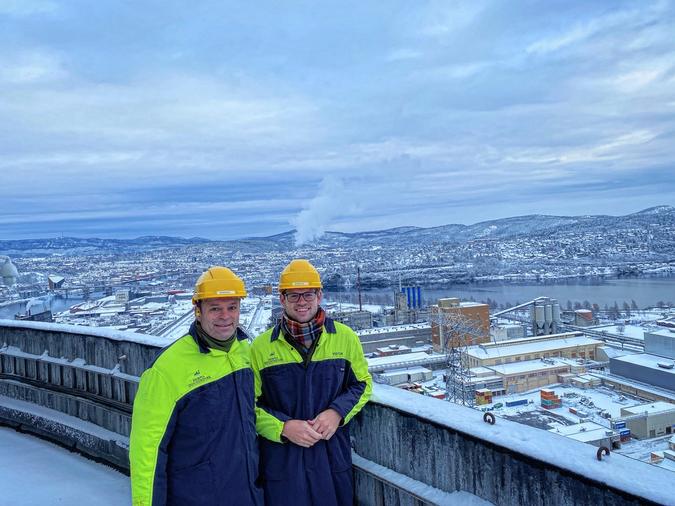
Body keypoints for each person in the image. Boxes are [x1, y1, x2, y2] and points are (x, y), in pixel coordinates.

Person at [129, 266, 263, 506]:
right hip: (195, 497)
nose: (225, 316)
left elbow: (255, 414)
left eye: (232, 307)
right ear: (198, 311)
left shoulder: (246, 352)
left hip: (246, 493)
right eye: (215, 309)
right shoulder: (166, 369)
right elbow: (147, 451)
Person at [251, 259, 372, 506]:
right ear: (282, 299)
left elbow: (362, 385)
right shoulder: (261, 348)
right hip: (282, 461)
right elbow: (247, 405)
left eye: (308, 294)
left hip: (330, 457)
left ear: (320, 295)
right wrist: (282, 428)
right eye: (293, 296)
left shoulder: (345, 339)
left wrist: (336, 412)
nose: (302, 301)